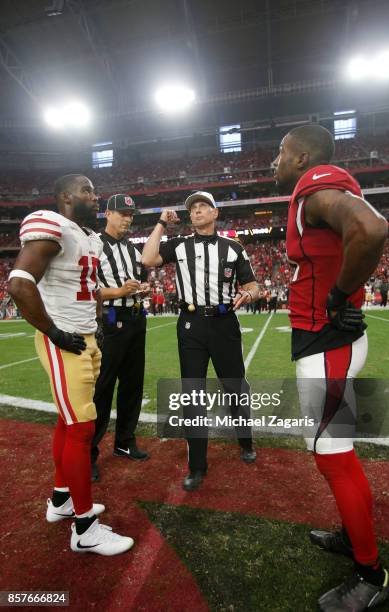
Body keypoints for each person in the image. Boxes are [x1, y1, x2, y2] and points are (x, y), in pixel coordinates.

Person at [273, 125, 389, 611]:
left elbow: (372, 228)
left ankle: (371, 572)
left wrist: (339, 295)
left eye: (280, 153)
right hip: (325, 340)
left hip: (329, 340)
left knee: (332, 452)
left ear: (301, 158)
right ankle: (352, 537)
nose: (273, 163)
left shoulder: (317, 183)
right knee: (329, 448)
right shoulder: (314, 191)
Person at [8, 174, 134, 556]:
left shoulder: (87, 237)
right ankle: (84, 528)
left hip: (86, 338)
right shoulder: (52, 224)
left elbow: (90, 287)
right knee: (82, 429)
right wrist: (54, 332)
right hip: (65, 340)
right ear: (65, 196)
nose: (94, 197)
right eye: (87, 191)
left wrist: (95, 323)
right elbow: (18, 283)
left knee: (69, 421)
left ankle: (61, 501)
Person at [142, 191, 259, 491]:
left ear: (215, 213)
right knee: (192, 395)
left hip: (224, 324)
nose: (196, 212)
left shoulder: (233, 247)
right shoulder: (179, 245)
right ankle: (197, 465)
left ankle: (246, 441)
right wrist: (160, 224)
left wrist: (249, 293)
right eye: (192, 208)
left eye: (202, 206)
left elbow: (253, 285)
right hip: (191, 324)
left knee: (234, 386)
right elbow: (148, 258)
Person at [91, 194, 149, 482]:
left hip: (137, 318)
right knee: (103, 388)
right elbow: (85, 290)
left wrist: (143, 288)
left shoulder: (133, 249)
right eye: (122, 213)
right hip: (111, 319)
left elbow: (139, 278)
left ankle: (125, 441)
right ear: (107, 214)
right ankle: (89, 452)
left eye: (131, 214)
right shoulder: (93, 246)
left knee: (132, 385)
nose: (128, 218)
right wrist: (118, 292)